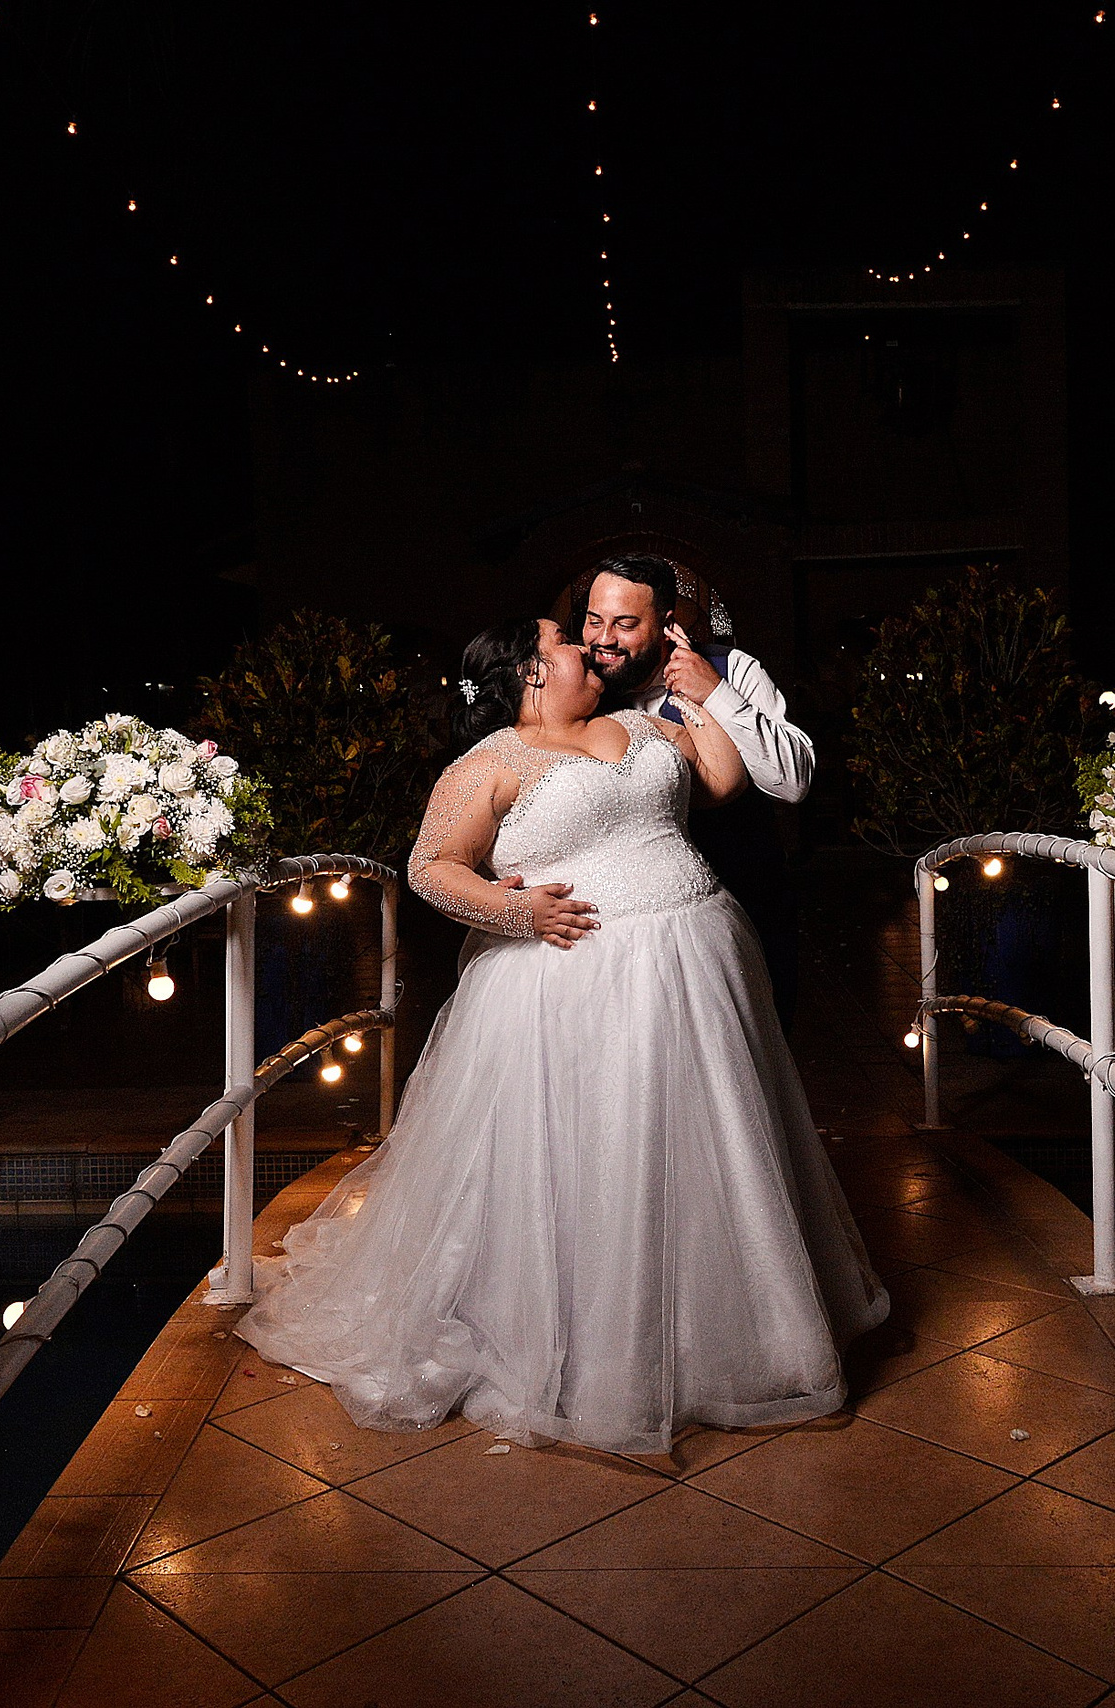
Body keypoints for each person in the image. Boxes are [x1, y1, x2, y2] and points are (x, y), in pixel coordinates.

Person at [234, 614, 887, 1455]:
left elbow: (723, 780)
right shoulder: (492, 764)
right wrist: (516, 909)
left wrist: (700, 684)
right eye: (565, 640)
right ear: (531, 674)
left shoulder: (647, 723)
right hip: (575, 989)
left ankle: (728, 1337)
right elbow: (432, 868)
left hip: (699, 964)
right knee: (597, 1158)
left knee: (709, 1150)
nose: (588, 646)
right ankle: (592, 1352)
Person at [577, 553, 812, 1029]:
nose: (604, 639)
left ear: (667, 624)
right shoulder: (581, 688)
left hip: (744, 901)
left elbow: (793, 783)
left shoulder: (732, 668)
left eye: (625, 624)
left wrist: (716, 693)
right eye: (594, 620)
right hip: (624, 928)